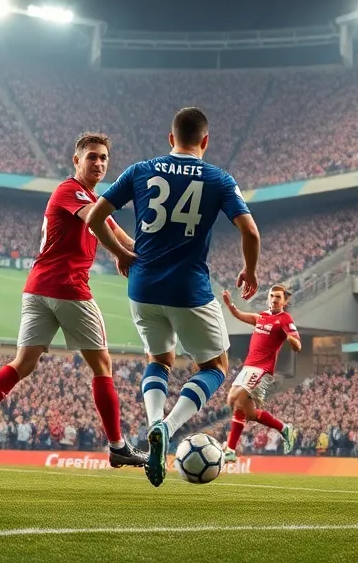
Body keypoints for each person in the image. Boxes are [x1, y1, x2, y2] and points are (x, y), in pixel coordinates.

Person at [86, 108, 260, 487]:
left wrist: (119, 253)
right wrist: (250, 270)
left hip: (143, 287)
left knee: (159, 359)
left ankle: (152, 428)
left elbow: (94, 218)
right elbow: (250, 232)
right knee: (215, 366)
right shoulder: (218, 178)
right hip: (189, 289)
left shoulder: (139, 170)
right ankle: (168, 426)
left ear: (170, 138)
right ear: (205, 141)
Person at [0, 133, 147, 470]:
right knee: (102, 366)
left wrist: (145, 252)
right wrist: (122, 257)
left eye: (103, 158)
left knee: (23, 364)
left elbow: (119, 233)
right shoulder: (70, 191)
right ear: (76, 160)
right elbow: (99, 225)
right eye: (91, 157)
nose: (98, 163)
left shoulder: (92, 197)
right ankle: (117, 446)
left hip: (37, 290)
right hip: (68, 289)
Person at [220, 285, 300, 462]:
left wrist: (292, 341)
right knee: (247, 411)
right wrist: (229, 304)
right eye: (272, 295)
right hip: (248, 367)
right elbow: (240, 315)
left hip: (263, 369)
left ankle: (231, 448)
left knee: (236, 397)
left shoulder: (284, 319)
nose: (274, 299)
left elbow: (297, 343)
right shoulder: (261, 317)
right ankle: (283, 429)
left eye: (278, 296)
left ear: (285, 301)